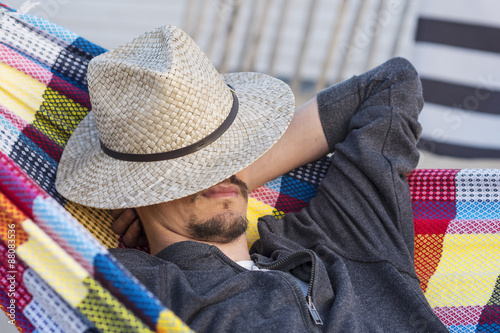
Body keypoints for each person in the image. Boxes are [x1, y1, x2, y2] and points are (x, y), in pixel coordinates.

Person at [55, 25, 448, 332]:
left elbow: (391, 84)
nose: (221, 167)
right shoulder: (135, 286)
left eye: (228, 149)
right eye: (190, 161)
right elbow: (17, 252)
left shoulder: (345, 233)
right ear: (137, 183)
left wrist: (230, 178)